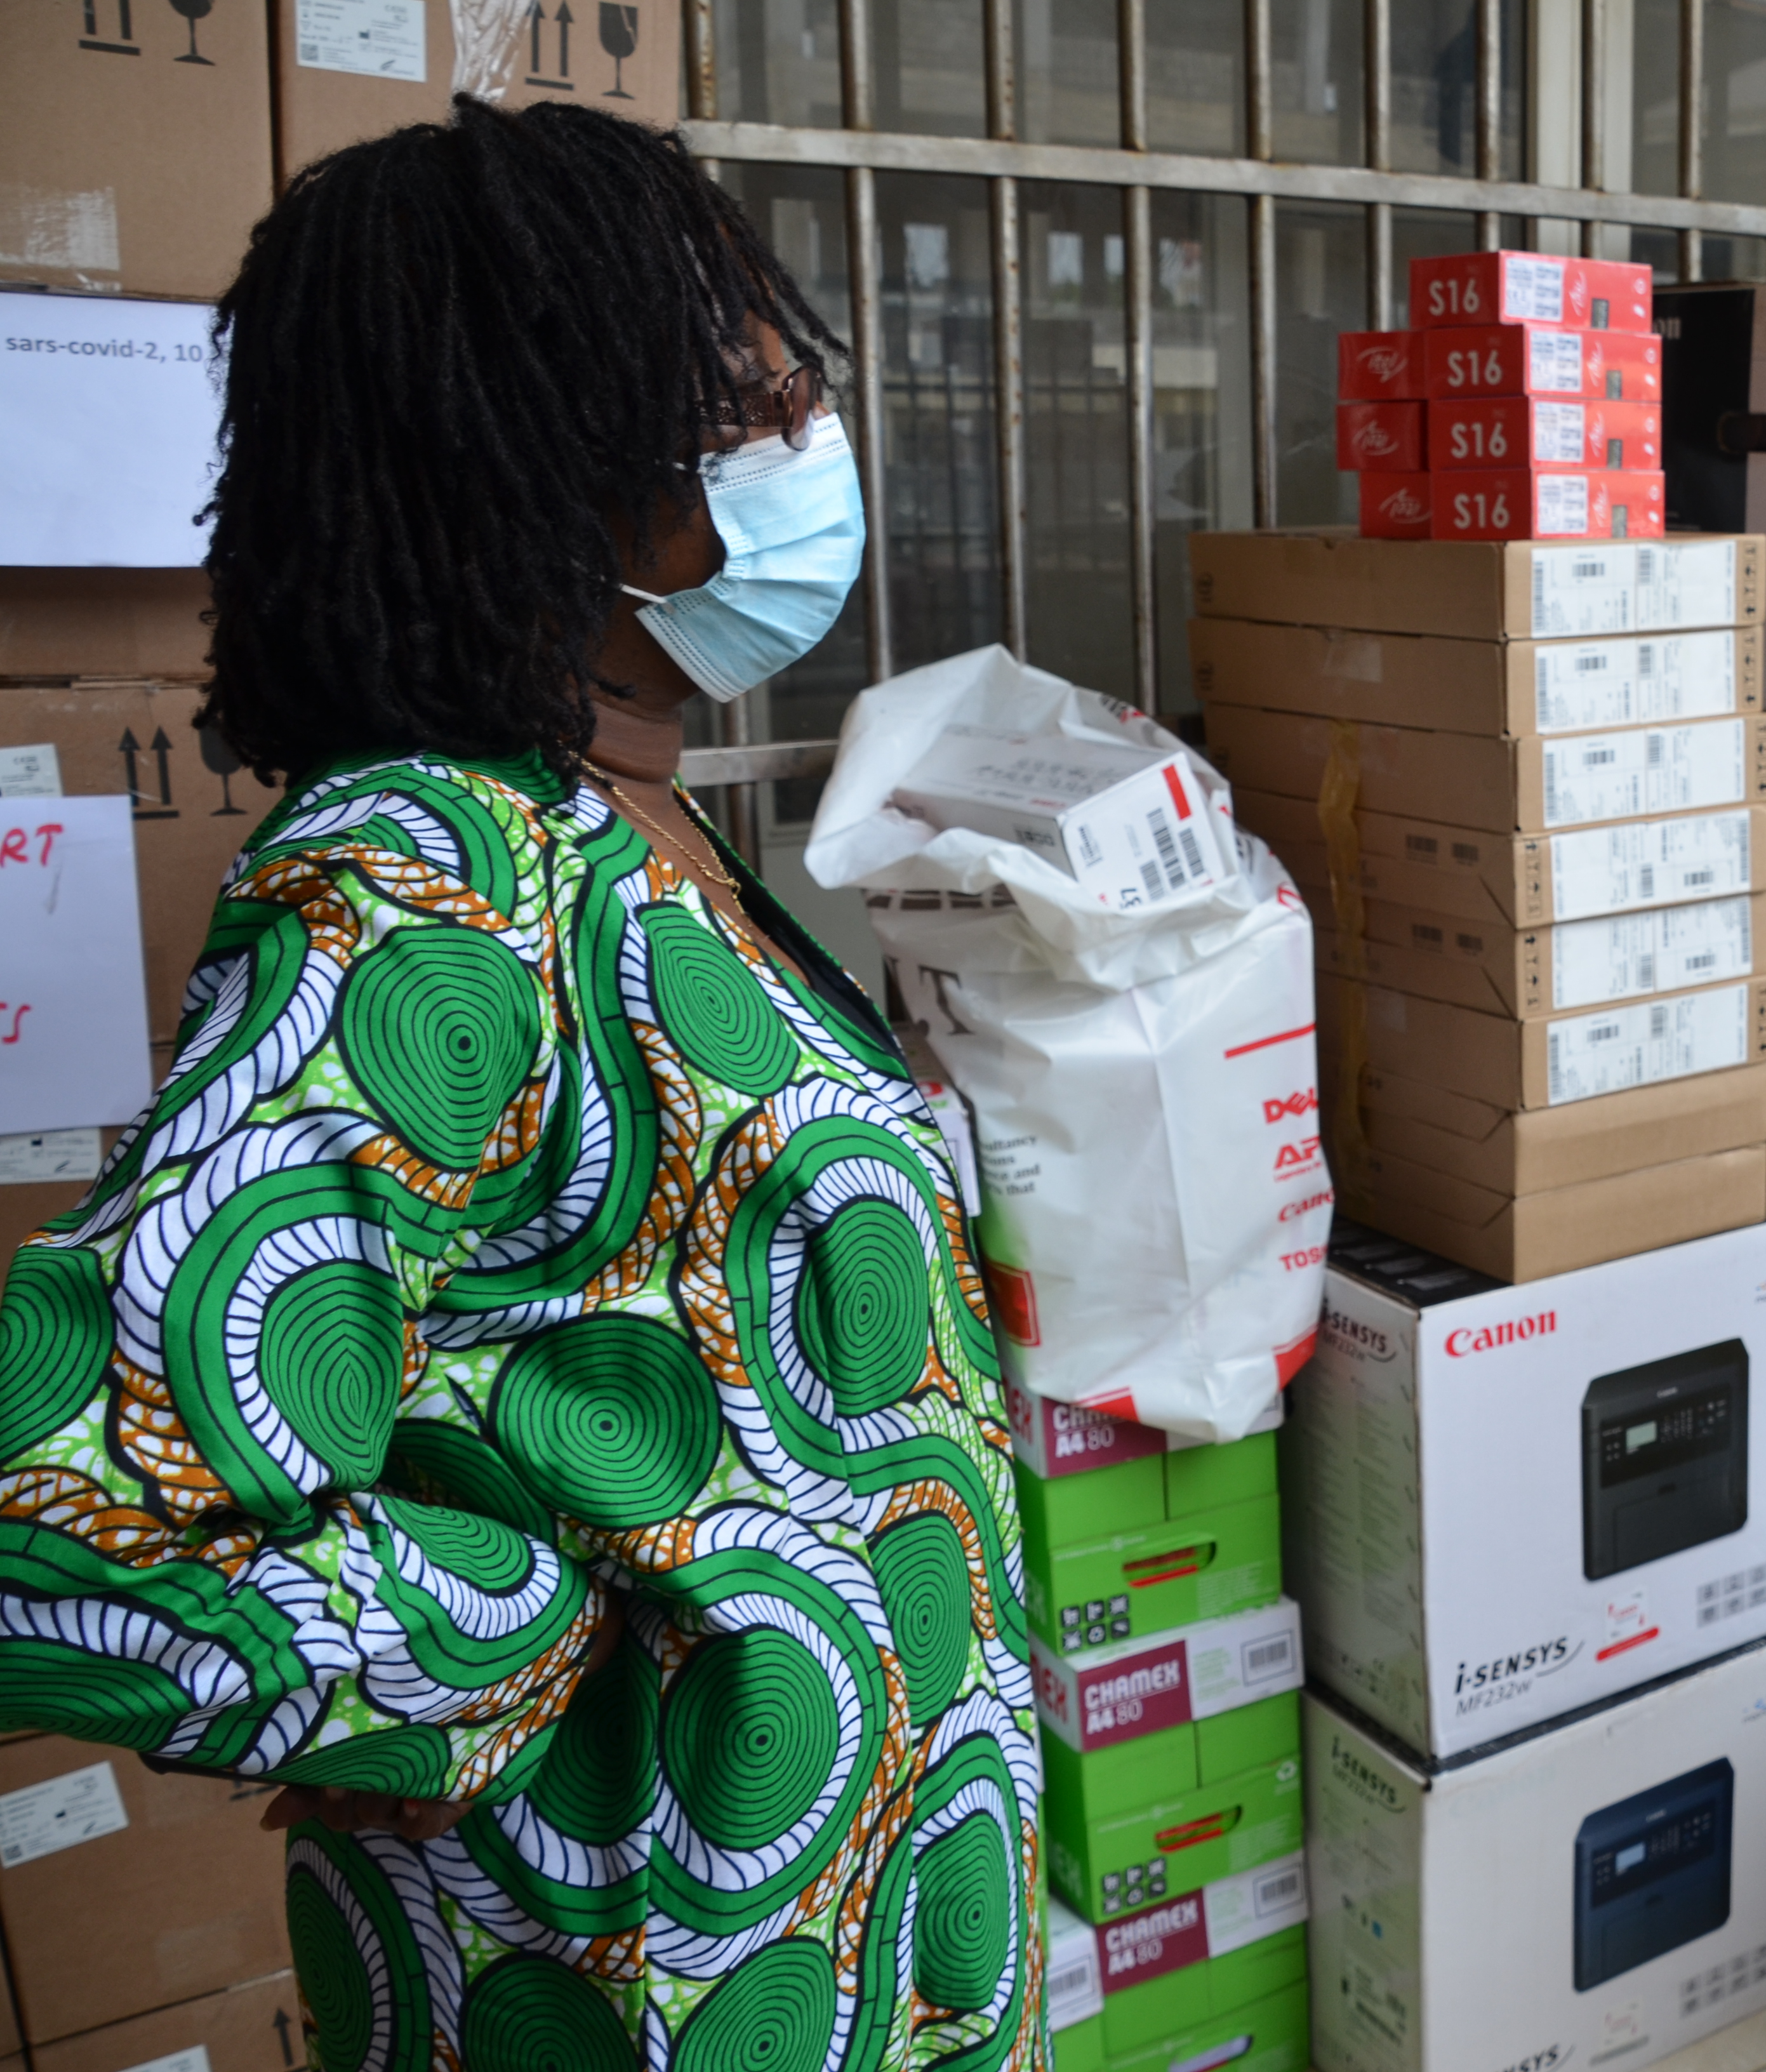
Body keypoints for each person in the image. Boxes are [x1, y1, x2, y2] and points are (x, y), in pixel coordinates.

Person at [0, 100, 1047, 2068]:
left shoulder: (634, 826)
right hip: (651, 1971)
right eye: (748, 399)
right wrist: (479, 1652)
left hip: (863, 1934)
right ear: (554, 453)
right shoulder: (430, 871)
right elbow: (67, 1526)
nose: (810, 428)